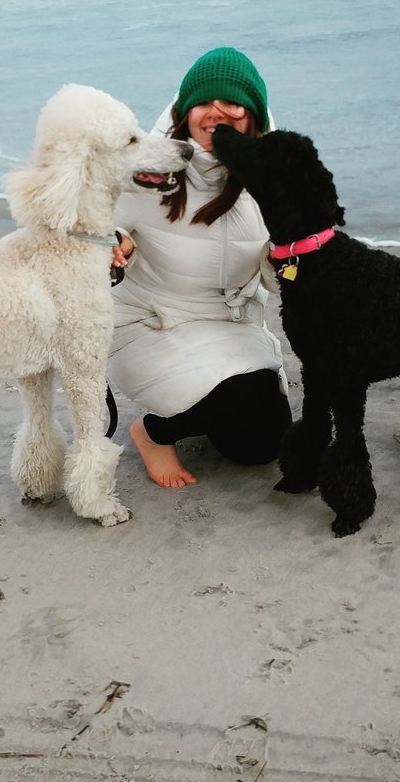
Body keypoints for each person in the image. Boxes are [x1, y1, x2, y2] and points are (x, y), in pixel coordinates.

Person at [109, 46, 291, 488]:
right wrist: (116, 246)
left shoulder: (273, 179)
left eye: (232, 103)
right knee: (244, 396)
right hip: (150, 323)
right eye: (204, 102)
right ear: (185, 112)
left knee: (262, 446)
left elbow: (278, 281)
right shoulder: (148, 169)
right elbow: (105, 229)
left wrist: (281, 260)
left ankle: (207, 400)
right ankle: (154, 432)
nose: (216, 113)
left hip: (230, 325)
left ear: (253, 115)